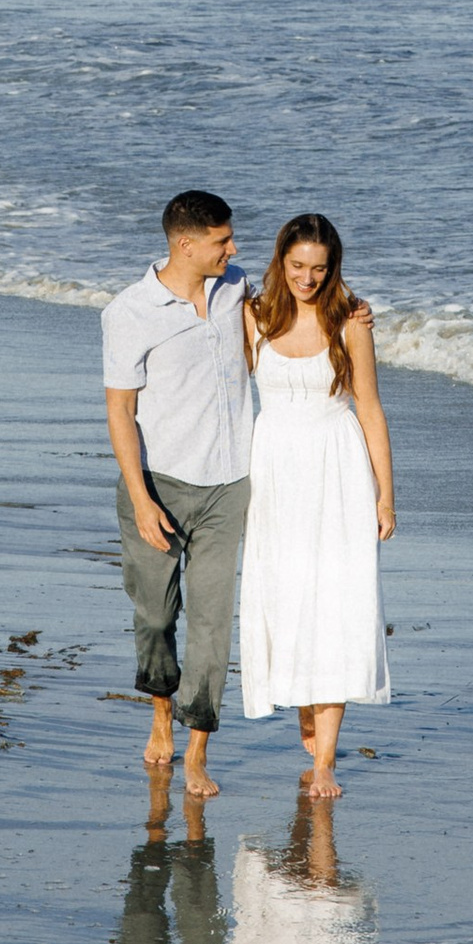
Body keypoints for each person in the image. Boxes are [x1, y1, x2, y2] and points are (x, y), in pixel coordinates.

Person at [102, 189, 254, 802]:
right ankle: (161, 712)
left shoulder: (236, 286)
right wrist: (140, 498)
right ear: (186, 244)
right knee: (157, 616)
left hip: (229, 485)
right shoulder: (130, 312)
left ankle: (196, 748)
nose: (234, 248)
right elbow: (120, 411)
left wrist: (351, 315)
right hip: (158, 483)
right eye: (222, 240)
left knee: (213, 627)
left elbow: (294, 316)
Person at [238, 211, 395, 797]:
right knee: (284, 596)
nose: (307, 278)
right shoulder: (251, 316)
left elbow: (370, 408)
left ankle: (325, 760)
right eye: (298, 266)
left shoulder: (350, 321)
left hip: (338, 468)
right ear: (281, 261)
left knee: (336, 604)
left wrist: (386, 496)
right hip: (274, 470)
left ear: (334, 269)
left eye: (319, 268)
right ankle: (304, 696)